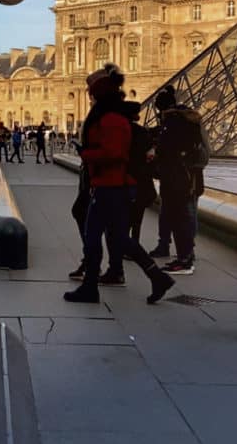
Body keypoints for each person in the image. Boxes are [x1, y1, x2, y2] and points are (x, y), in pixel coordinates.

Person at [64, 64, 174, 304]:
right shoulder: (113, 117)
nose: (89, 97)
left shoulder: (112, 120)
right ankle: (157, 277)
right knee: (119, 238)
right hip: (112, 185)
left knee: (94, 235)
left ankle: (90, 287)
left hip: (112, 186)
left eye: (92, 93)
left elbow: (114, 153)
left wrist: (86, 154)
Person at [151, 85, 206, 274]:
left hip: (179, 179)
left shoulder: (174, 124)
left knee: (182, 217)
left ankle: (185, 258)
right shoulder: (189, 121)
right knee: (182, 216)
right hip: (187, 178)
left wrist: (157, 156)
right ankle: (185, 254)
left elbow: (169, 151)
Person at [120, 101, 157, 262]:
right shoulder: (143, 133)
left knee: (124, 217)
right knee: (137, 218)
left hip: (126, 180)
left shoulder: (122, 132)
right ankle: (134, 244)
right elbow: (150, 155)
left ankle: (126, 246)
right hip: (142, 181)